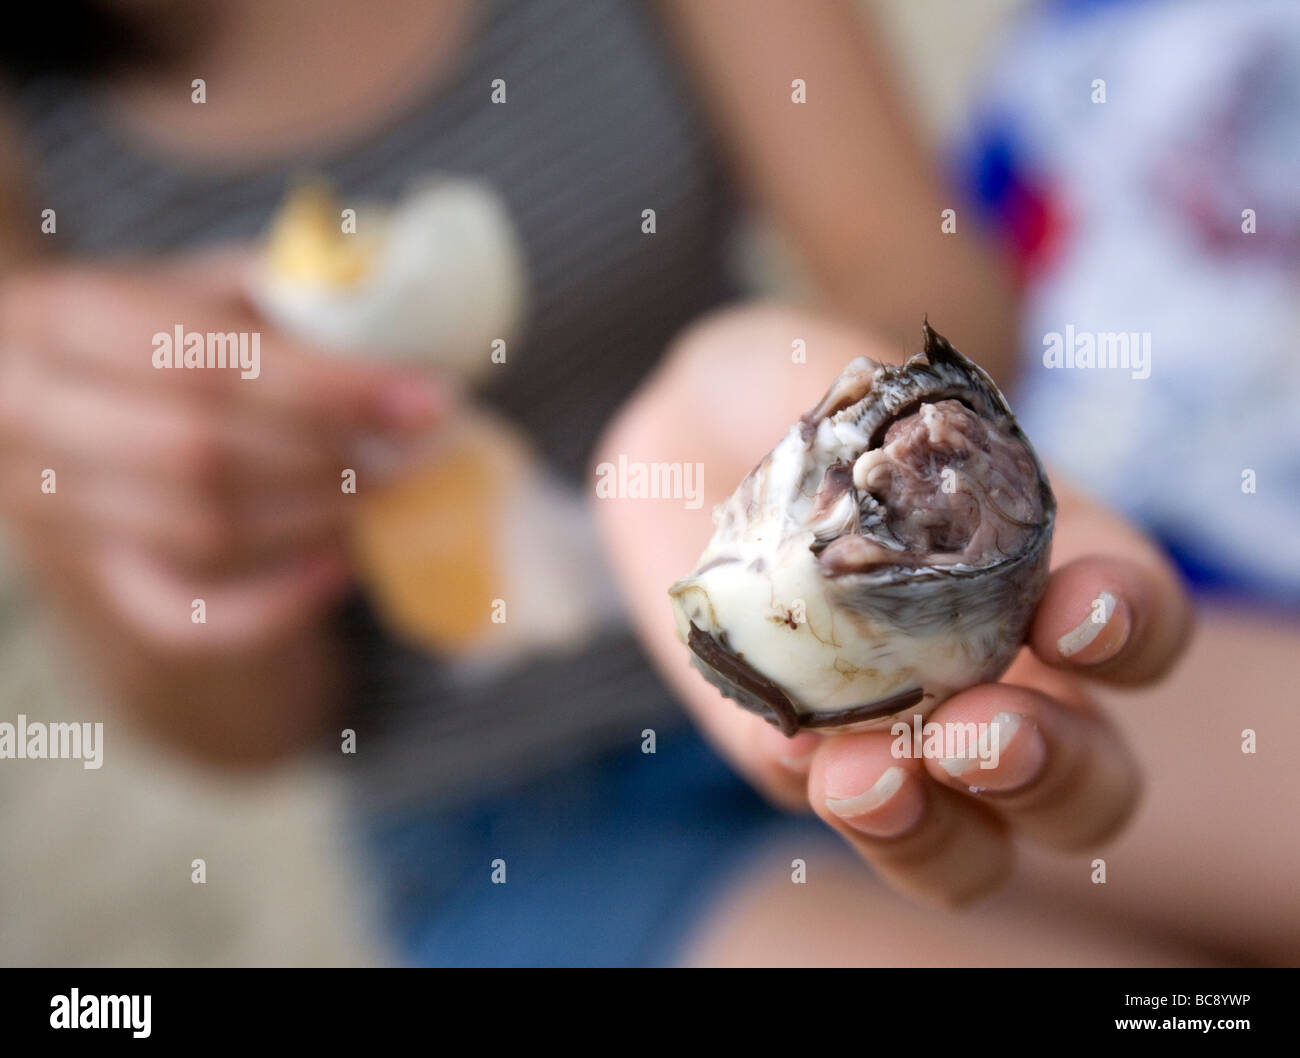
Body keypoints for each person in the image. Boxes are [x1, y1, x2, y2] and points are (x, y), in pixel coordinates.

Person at [0, 0, 1259, 967]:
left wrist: (773, 390)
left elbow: (935, 281)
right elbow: (245, 727)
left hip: (911, 662)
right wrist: (191, 549)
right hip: (516, 822)